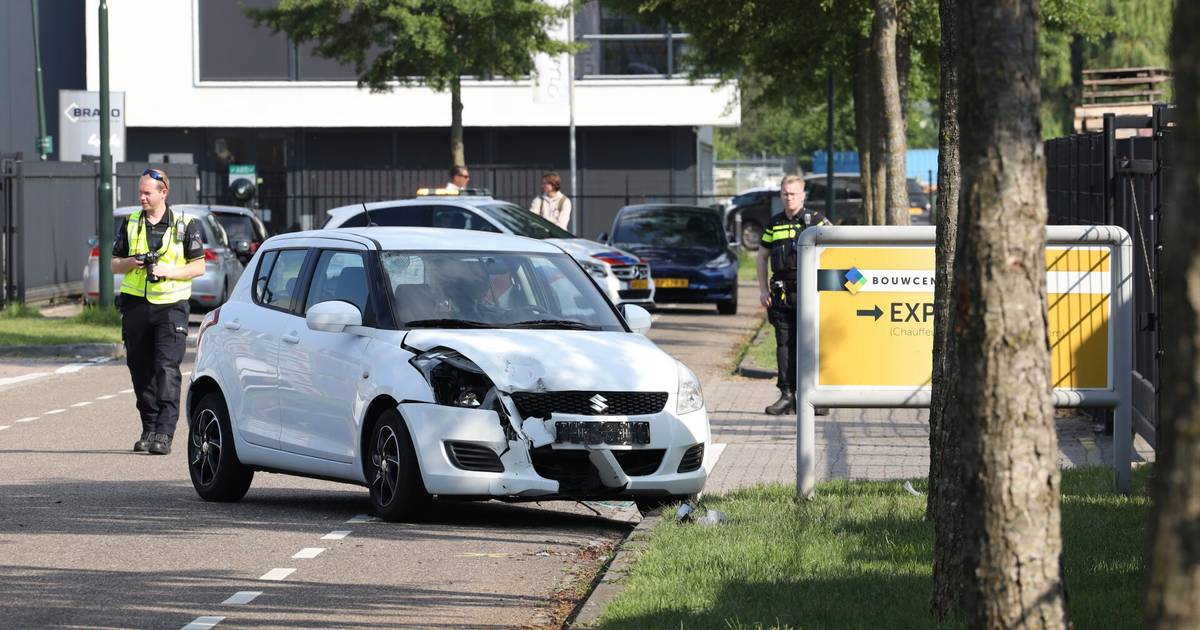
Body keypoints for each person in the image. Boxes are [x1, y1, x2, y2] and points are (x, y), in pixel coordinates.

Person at [111, 168, 206, 454]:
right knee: (140, 368)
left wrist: (168, 271)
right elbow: (114, 264)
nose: (141, 197)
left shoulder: (185, 224)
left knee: (166, 368)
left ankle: (164, 432)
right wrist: (132, 262)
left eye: (147, 193)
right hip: (136, 305)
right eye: (140, 192)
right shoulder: (131, 222)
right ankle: (149, 427)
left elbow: (198, 267)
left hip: (171, 306)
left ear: (163, 193)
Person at [756, 174, 831, 415]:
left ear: (803, 195)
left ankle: (815, 396)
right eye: (785, 194)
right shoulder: (774, 223)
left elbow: (836, 249)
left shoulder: (816, 221)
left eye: (793, 194)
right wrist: (763, 290)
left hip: (810, 293)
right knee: (784, 345)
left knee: (812, 344)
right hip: (782, 295)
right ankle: (787, 395)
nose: (789, 198)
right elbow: (762, 257)